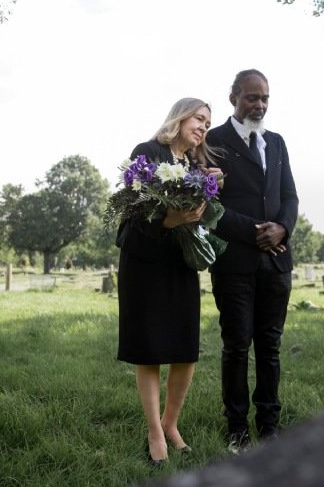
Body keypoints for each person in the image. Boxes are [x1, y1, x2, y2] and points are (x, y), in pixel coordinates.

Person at [116, 97, 221, 466]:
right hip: (145, 263)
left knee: (184, 349)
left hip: (179, 265)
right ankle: (154, 431)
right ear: (180, 117)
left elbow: (202, 220)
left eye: (208, 123)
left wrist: (209, 193)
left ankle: (171, 423)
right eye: (199, 118)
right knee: (149, 352)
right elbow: (131, 216)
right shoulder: (147, 152)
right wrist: (169, 221)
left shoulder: (195, 166)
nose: (204, 127)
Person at [205, 69, 299, 453]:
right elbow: (209, 205)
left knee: (270, 347)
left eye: (264, 99)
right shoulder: (213, 141)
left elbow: (290, 197)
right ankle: (237, 428)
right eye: (251, 97)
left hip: (277, 263)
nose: (258, 105)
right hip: (235, 263)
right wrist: (255, 231)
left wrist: (282, 229)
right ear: (234, 98)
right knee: (237, 346)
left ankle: (269, 424)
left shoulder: (276, 143)